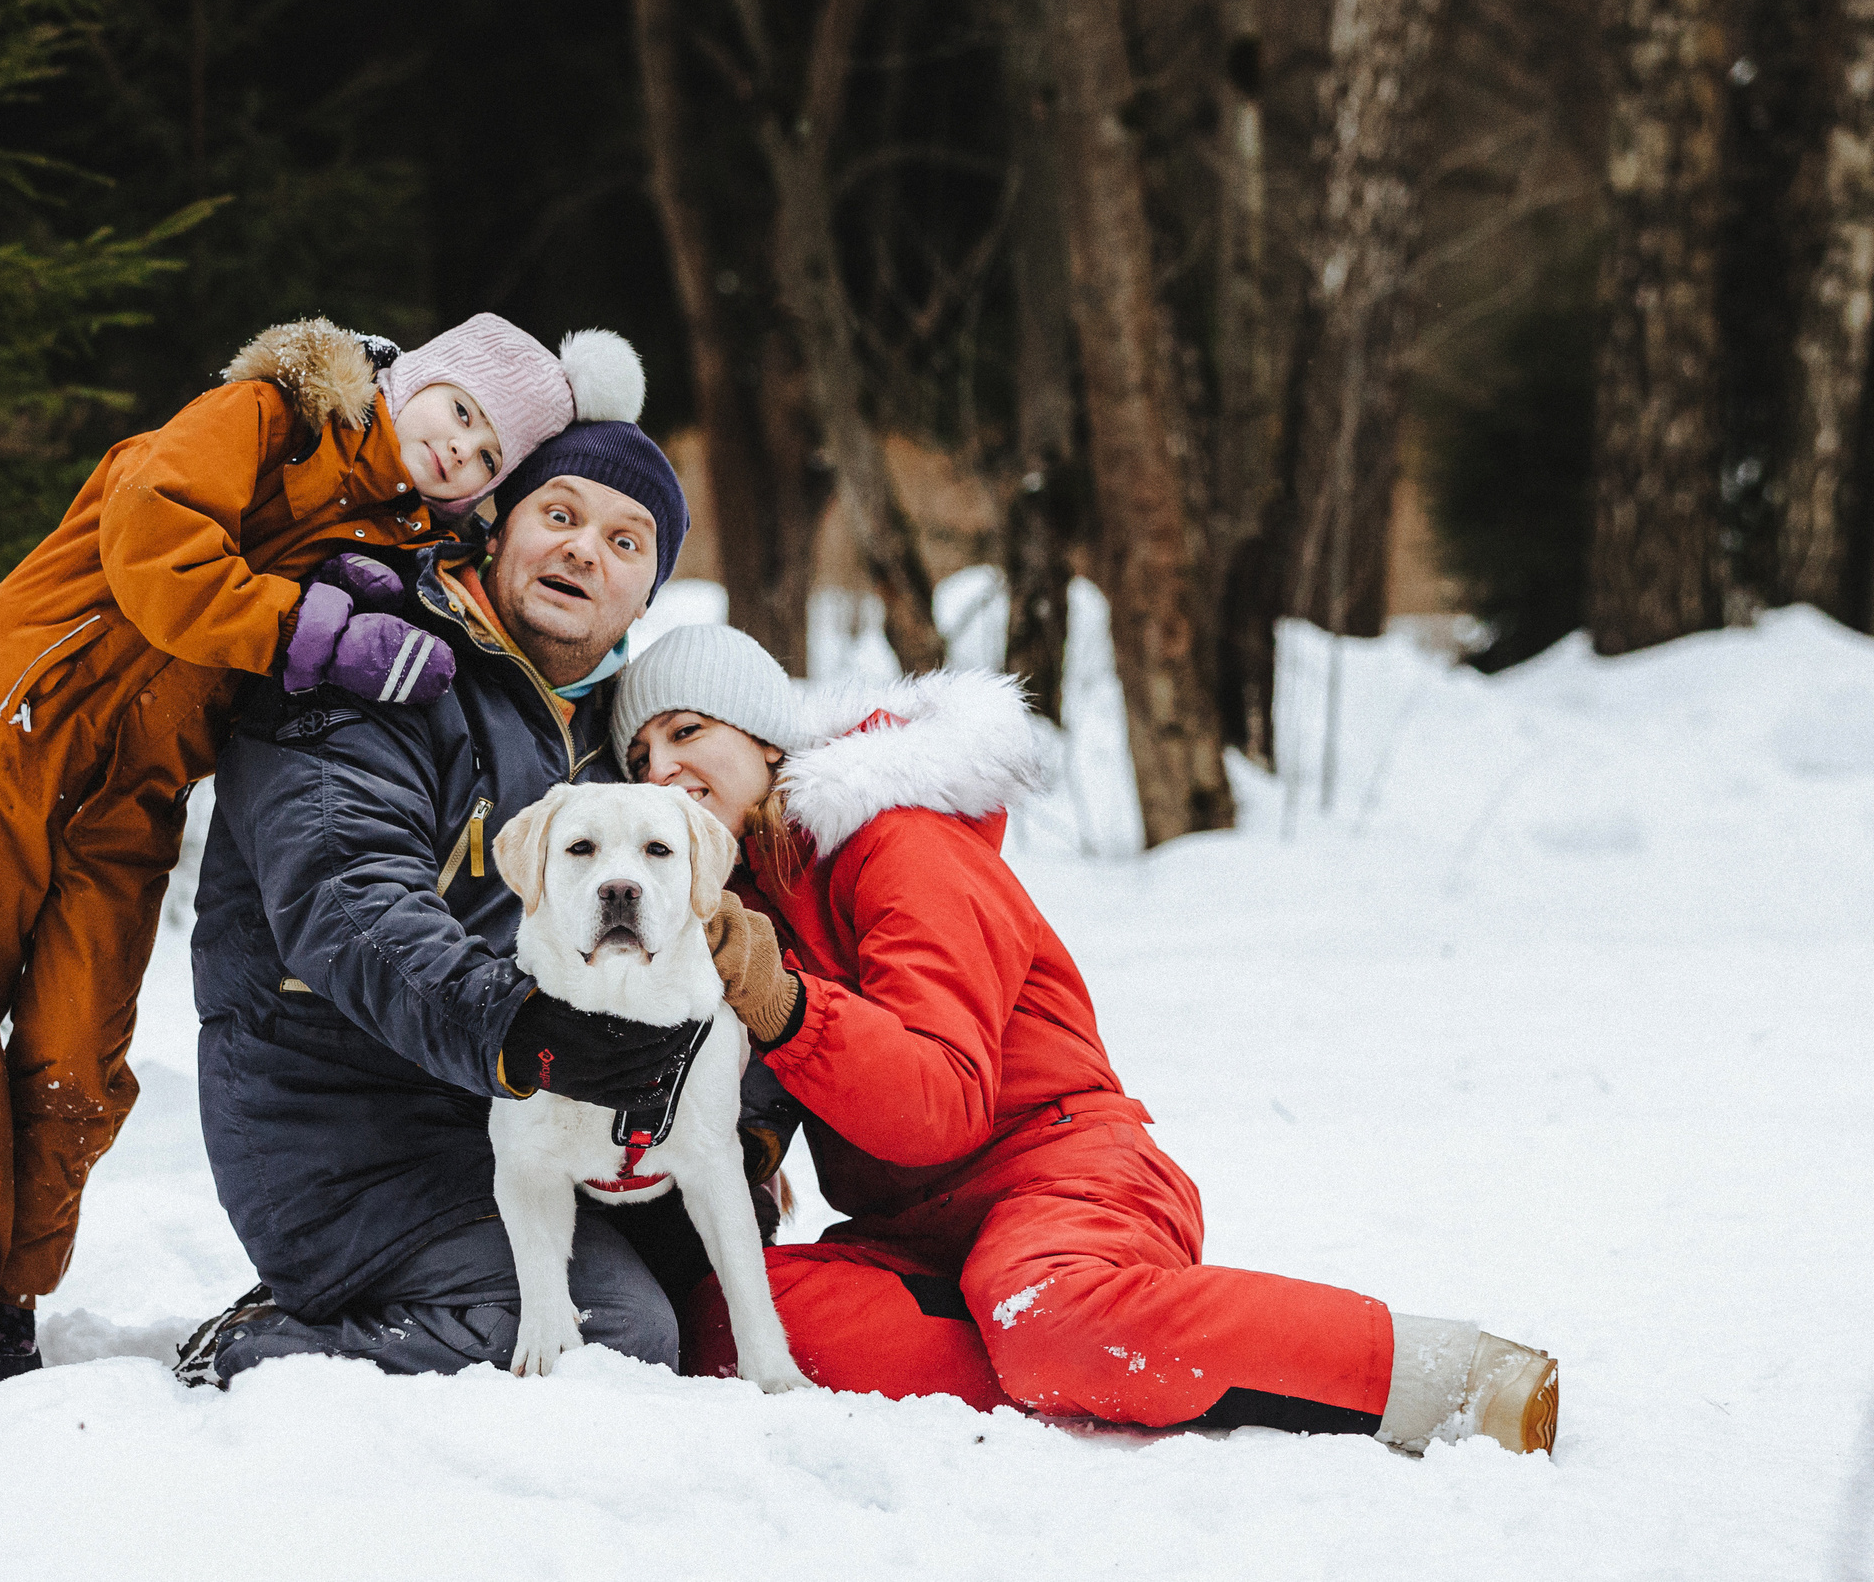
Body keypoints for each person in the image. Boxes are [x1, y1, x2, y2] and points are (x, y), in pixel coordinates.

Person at [0, 312, 644, 1421]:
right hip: (30, 710)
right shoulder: (274, 416)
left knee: (79, 1039)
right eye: (457, 414)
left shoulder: (400, 533)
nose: (457, 452)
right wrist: (310, 634)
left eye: (484, 459)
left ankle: (6, 1294)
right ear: (412, 380)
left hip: (139, 782)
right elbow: (153, 546)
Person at [611, 623, 1561, 1456]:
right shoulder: (732, 911)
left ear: (766, 735)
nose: (663, 769)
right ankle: (1083, 1358)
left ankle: (1445, 1376)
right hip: (918, 1235)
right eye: (640, 755)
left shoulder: (897, 840)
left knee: (1045, 1311)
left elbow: (940, 1099)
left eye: (688, 730)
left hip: (1065, 1173)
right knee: (730, 1318)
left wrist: (783, 1004)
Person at [173, 416, 759, 1387]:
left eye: (624, 540)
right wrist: (516, 1029)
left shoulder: (606, 752)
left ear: (643, 595)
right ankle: (266, 1348)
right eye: (559, 513)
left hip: (491, 1117)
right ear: (497, 529)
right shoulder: (373, 664)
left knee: (698, 1268)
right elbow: (349, 896)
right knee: (614, 1332)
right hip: (339, 1129)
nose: (583, 548)